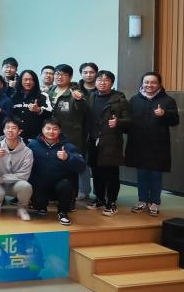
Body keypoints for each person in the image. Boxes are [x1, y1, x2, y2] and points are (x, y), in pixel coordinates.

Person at [126, 71, 180, 216]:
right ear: (142, 83)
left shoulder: (168, 100)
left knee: (156, 175)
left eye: (153, 82)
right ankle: (142, 201)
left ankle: (155, 202)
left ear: (159, 84)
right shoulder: (134, 100)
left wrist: (164, 114)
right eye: (146, 82)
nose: (149, 85)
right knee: (142, 174)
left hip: (158, 145)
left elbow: (175, 121)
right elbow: (128, 121)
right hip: (138, 144)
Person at [85, 70, 131, 216]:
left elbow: (129, 121)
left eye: (106, 80)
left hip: (111, 142)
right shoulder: (90, 97)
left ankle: (111, 202)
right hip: (93, 141)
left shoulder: (120, 100)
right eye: (99, 79)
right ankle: (99, 199)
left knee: (111, 174)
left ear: (112, 83)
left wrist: (118, 122)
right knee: (96, 172)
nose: (102, 82)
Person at [27, 118, 86, 225]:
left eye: (55, 129)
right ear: (42, 130)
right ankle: (41, 206)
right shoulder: (33, 145)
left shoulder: (68, 146)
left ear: (60, 131)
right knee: (37, 201)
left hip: (59, 184)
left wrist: (68, 157)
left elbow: (82, 166)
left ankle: (63, 212)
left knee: (66, 185)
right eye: (48, 128)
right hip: (40, 184)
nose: (51, 131)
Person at [48, 64, 90, 200]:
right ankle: (55, 195)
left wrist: (79, 100)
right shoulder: (50, 90)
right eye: (57, 74)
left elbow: (84, 111)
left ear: (70, 77)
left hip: (71, 136)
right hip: (52, 135)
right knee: (55, 166)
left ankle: (71, 197)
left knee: (72, 167)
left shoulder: (76, 92)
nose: (59, 77)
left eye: (64, 74)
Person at [0, 118, 33, 221]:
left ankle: (22, 208)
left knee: (26, 186)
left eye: (14, 128)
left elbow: (24, 174)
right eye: (7, 127)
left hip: (15, 184)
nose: (10, 130)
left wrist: (3, 178)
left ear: (19, 131)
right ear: (3, 130)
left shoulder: (27, 152)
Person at [10, 70, 52, 141]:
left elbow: (50, 113)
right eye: (25, 79)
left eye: (31, 80)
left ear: (35, 81)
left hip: (36, 138)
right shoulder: (14, 96)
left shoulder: (43, 96)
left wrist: (38, 110)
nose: (28, 82)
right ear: (20, 81)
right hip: (17, 138)